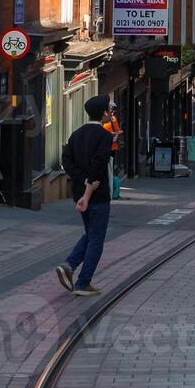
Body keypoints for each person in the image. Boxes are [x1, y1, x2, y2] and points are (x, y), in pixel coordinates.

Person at [56, 95, 119, 296]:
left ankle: (69, 266)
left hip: (79, 194)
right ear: (102, 113)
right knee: (96, 238)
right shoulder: (104, 136)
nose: (110, 113)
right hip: (97, 195)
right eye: (108, 110)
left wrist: (81, 180)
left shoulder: (76, 134)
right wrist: (89, 187)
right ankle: (83, 282)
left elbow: (66, 161)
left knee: (91, 233)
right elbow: (99, 164)